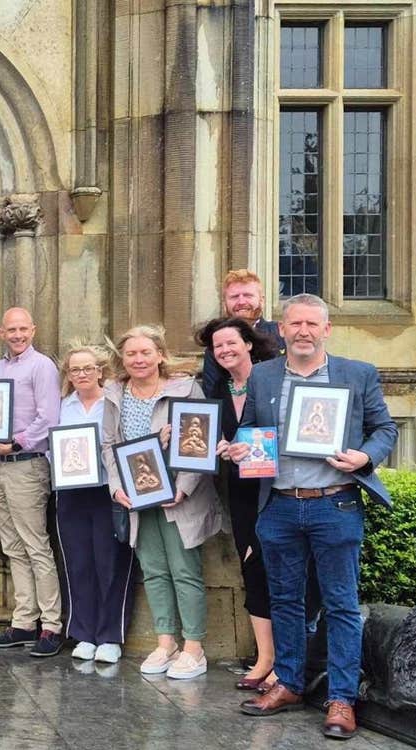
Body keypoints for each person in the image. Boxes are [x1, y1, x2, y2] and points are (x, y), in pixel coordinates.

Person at [231, 294, 396, 740]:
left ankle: (341, 698)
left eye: (312, 324)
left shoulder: (356, 374)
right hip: (280, 504)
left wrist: (365, 457)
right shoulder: (263, 375)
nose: (303, 330)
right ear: (281, 330)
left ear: (326, 330)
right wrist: (242, 448)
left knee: (340, 604)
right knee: (284, 601)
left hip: (335, 503)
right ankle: (288, 683)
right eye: (294, 323)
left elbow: (385, 428)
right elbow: (253, 433)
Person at [100, 325, 223, 680]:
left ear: (160, 355)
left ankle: (194, 648)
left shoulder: (185, 389)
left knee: (184, 570)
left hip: (177, 494)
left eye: (145, 352)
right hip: (138, 496)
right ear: (122, 359)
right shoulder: (114, 393)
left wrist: (183, 488)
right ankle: (165, 641)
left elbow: (199, 442)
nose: (138, 359)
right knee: (153, 569)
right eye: (131, 354)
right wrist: (115, 488)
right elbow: (109, 445)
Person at [195, 316, 281, 690]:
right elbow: (205, 439)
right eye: (218, 347)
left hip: (278, 490)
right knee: (252, 572)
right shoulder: (217, 391)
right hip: (242, 493)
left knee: (280, 572)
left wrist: (254, 447)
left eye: (231, 342)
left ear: (248, 343)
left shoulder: (275, 380)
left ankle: (287, 662)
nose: (225, 350)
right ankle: (265, 659)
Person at [0, 308, 64, 657]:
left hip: (27, 464)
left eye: (22, 329)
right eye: (11, 330)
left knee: (35, 546)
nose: (17, 335)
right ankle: (24, 623)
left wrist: (15, 442)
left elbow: (50, 417)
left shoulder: (41, 365)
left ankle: (52, 626)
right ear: (1, 332)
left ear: (34, 329)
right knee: (13, 547)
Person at [54, 343, 136, 664]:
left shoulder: (114, 403)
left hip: (108, 490)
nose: (82, 374)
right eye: (75, 370)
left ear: (100, 371)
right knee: (78, 562)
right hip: (71, 492)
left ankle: (110, 635)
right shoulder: (64, 406)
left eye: (88, 368)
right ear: (69, 375)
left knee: (111, 561)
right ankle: (83, 632)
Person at [201, 269, 285, 398]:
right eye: (234, 297)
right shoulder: (215, 346)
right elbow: (212, 395)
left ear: (261, 300)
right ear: (224, 304)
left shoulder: (280, 334)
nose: (241, 302)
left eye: (248, 295)